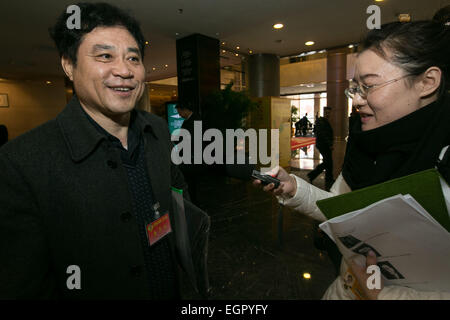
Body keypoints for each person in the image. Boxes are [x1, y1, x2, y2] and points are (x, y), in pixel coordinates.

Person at [0, 2, 209, 299]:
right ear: (69, 66)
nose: (124, 70)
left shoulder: (158, 130)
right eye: (105, 56)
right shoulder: (22, 163)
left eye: (133, 58)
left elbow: (177, 195)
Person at [254, 20, 450, 299]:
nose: (356, 101)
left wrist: (384, 296)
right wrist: (294, 188)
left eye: (368, 86)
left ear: (427, 82)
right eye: (354, 88)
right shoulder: (364, 144)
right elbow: (341, 211)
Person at [175, 102, 202, 205]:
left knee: (192, 181)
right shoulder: (190, 120)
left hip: (192, 156)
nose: (179, 115)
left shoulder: (195, 120)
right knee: (191, 181)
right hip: (190, 155)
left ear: (185, 109)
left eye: (179, 112)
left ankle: (193, 202)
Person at [307, 106, 335, 191]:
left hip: (324, 144)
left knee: (328, 162)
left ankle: (327, 178)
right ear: (324, 112)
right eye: (326, 112)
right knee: (328, 162)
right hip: (324, 145)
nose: (328, 114)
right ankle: (313, 175)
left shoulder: (324, 121)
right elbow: (323, 134)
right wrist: (330, 144)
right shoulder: (321, 121)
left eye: (329, 113)